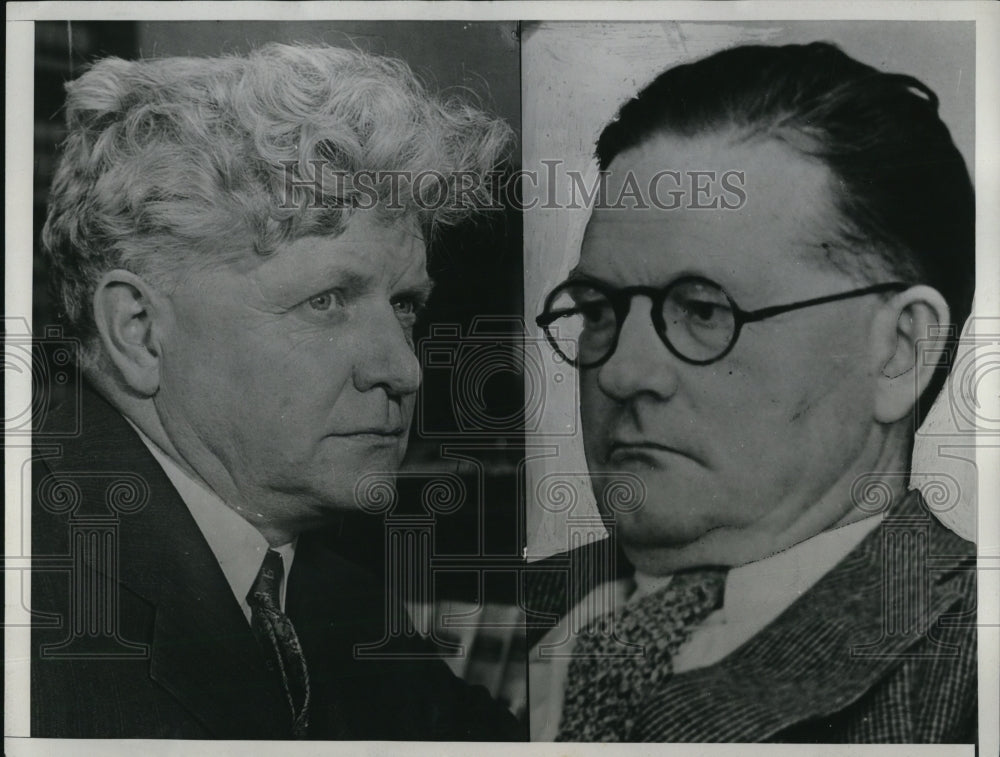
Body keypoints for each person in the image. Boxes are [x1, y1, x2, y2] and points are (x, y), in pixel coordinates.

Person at [30, 42, 520, 740]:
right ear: (138, 330)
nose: (403, 369)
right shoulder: (31, 589)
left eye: (405, 305)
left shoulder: (332, 593)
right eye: (327, 300)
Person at [527, 42, 976, 743]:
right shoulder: (455, 623)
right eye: (599, 311)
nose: (621, 372)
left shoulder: (973, 673)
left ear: (900, 351)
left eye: (704, 310)